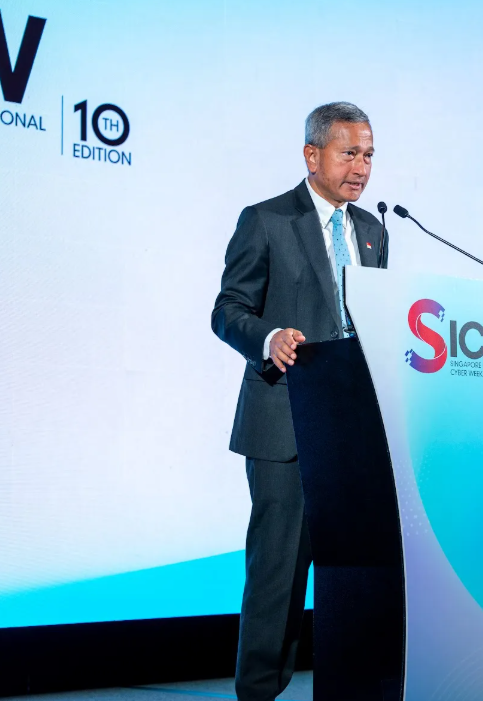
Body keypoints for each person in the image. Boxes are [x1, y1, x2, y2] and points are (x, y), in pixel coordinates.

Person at [211, 101, 387, 701]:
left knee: (358, 573)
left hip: (352, 429)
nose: (361, 166)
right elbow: (227, 309)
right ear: (312, 155)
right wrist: (268, 336)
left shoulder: (372, 231)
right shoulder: (265, 220)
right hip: (284, 421)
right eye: (349, 152)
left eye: (368, 154)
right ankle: (259, 693)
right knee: (278, 574)